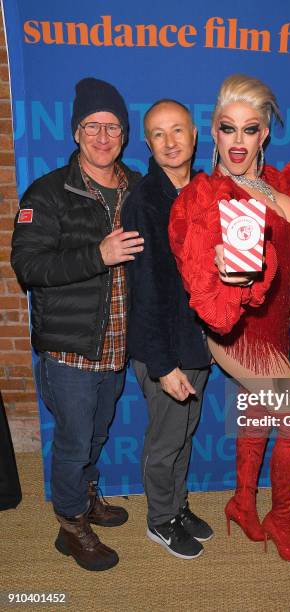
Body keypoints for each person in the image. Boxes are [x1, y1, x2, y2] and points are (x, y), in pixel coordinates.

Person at [169, 74, 290, 562]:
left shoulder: (278, 183)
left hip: (277, 326)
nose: (237, 141)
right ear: (213, 133)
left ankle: (242, 502)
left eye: (249, 129)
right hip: (239, 333)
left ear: (264, 134)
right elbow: (195, 255)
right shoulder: (204, 198)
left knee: (258, 409)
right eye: (227, 128)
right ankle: (279, 517)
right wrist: (217, 267)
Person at [11, 78, 144, 572]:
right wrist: (97, 255)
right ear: (75, 132)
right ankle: (70, 526)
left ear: (125, 134)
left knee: (95, 435)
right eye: (93, 126)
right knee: (72, 441)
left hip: (116, 347)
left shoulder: (136, 188)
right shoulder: (47, 192)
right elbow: (28, 267)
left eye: (112, 126)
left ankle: (86, 497)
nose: (103, 136)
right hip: (69, 350)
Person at [121, 99, 212, 560]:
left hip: (197, 344)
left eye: (178, 130)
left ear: (195, 137)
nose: (170, 141)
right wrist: (162, 364)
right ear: (148, 143)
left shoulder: (204, 192)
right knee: (165, 441)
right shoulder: (143, 203)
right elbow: (146, 291)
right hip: (164, 350)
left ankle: (177, 506)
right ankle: (160, 521)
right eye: (158, 133)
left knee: (186, 432)